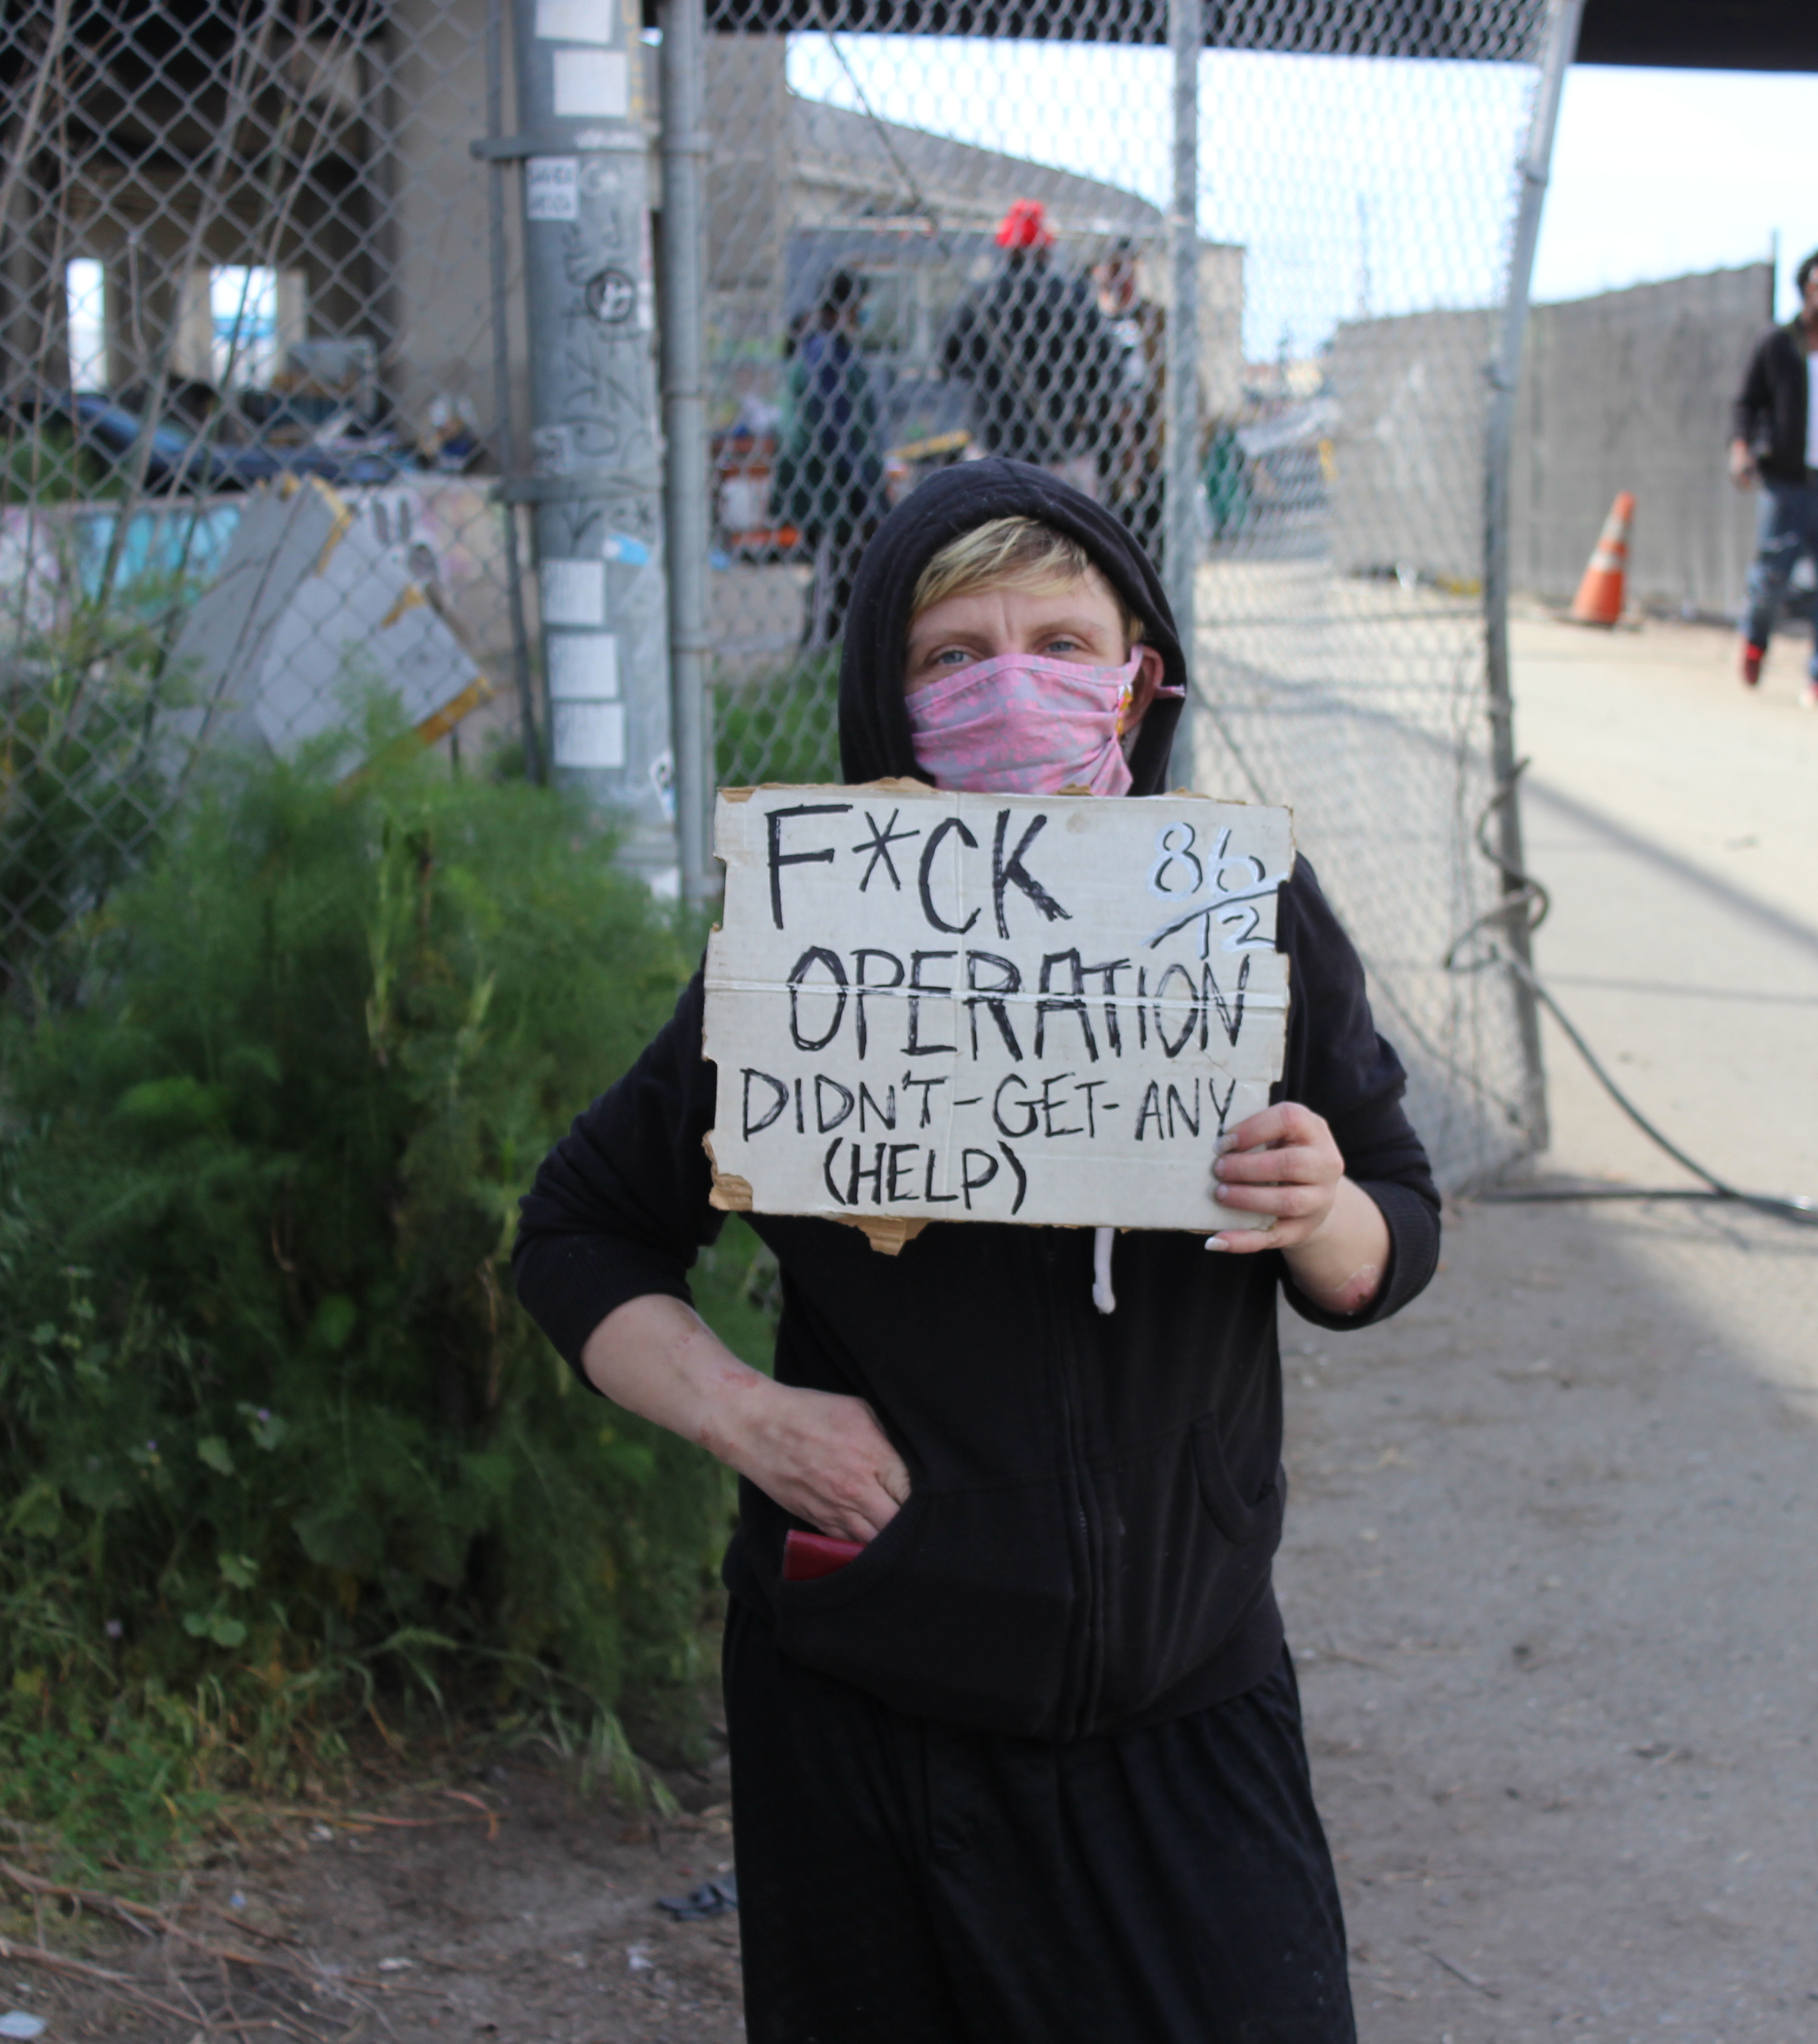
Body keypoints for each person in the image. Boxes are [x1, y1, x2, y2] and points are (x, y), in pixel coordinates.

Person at [512, 458, 1442, 2044]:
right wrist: (751, 1416)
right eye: (954, 654)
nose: (1014, 685)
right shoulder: (800, 942)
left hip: (1183, 1685)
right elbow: (579, 1231)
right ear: (885, 692)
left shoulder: (1243, 909)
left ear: (1138, 676)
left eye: (1062, 643)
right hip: (868, 1708)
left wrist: (1323, 1206)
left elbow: (1387, 1236)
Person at [1728, 247, 1818, 709]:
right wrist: (1742, 450)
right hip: (1785, 479)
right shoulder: (1776, 343)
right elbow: (1746, 403)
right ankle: (1754, 639)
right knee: (1771, 575)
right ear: (1804, 287)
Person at [938, 201, 1124, 502]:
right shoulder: (1072, 297)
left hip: (996, 445)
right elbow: (1108, 368)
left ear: (1007, 249)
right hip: (1062, 447)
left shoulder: (982, 298)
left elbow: (950, 362)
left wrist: (992, 373)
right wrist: (1086, 412)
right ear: (1045, 250)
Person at [774, 267, 887, 647]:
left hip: (832, 474)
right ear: (851, 305)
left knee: (839, 564)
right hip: (833, 477)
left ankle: (830, 641)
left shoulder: (827, 344)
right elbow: (834, 423)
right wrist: (860, 484)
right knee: (840, 561)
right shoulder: (824, 350)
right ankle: (826, 640)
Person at [1094, 238, 1166, 556]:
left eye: (1128, 267)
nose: (1121, 275)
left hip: (1146, 430)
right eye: (1113, 266)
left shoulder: (1154, 317)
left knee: (1151, 524)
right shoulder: (1086, 318)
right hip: (1103, 436)